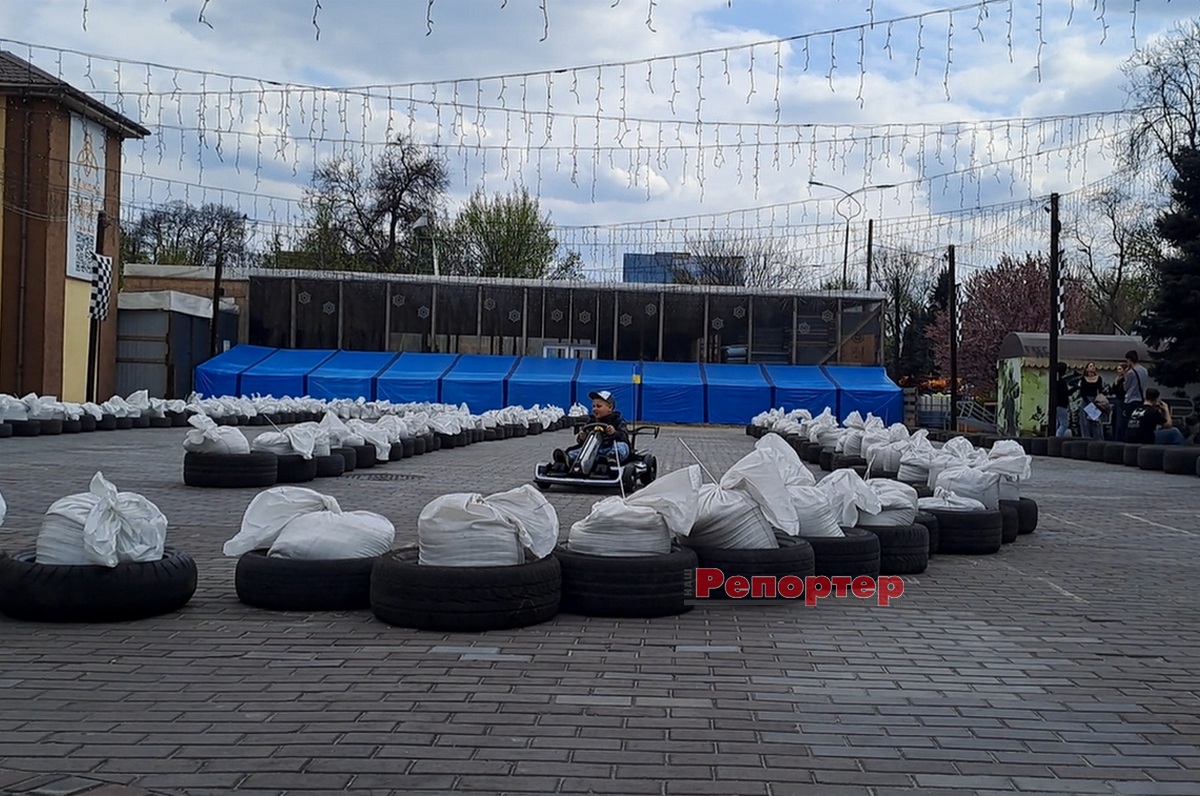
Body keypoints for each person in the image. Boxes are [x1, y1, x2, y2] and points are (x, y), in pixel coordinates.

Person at [553, 390, 630, 469]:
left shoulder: (617, 421)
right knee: (577, 451)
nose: (594, 409)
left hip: (609, 448)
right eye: (593, 406)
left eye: (598, 406)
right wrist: (582, 437)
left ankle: (611, 458)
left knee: (622, 447)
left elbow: (624, 436)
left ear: (610, 407)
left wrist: (614, 433)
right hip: (593, 451)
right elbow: (582, 441)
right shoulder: (591, 422)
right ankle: (568, 458)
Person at [1115, 349, 1149, 442]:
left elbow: (1126, 387)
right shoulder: (1144, 370)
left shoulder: (1130, 373)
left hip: (1130, 399)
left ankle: (1124, 440)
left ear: (1129, 360)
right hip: (1140, 399)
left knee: (1125, 422)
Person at [1076, 361, 1108, 440]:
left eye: (1093, 366)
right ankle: (1086, 439)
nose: (1093, 367)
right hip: (1086, 401)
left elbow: (1100, 390)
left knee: (1096, 423)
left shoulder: (1099, 378)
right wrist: (1088, 402)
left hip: (1095, 401)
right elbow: (1082, 392)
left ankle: (1098, 439)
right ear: (1087, 369)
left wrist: (1099, 401)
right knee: (1085, 423)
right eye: (1090, 366)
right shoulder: (1083, 379)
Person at [1053, 362, 1074, 437]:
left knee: (1056, 423)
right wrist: (1074, 389)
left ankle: (1056, 435)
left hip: (1056, 404)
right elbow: (1065, 393)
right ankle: (1058, 436)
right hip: (1062, 404)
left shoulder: (1055, 381)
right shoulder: (1062, 382)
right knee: (1064, 423)